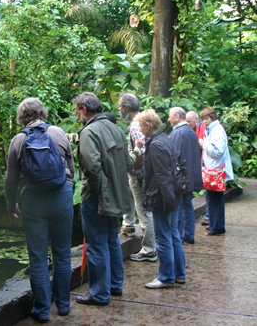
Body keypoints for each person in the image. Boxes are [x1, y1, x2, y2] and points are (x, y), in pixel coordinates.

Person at [4, 98, 75, 323]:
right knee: (63, 254)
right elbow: (71, 167)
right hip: (61, 197)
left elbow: (10, 180)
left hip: (32, 201)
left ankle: (42, 310)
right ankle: (63, 305)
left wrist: (10, 205)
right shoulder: (58, 132)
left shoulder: (18, 140)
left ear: (21, 117)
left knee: (38, 258)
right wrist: (68, 190)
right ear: (43, 113)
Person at [73, 92, 134, 306]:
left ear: (83, 109)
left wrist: (99, 190)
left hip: (96, 197)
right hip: (115, 195)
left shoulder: (89, 131)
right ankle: (115, 285)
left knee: (97, 244)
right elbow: (127, 161)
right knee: (111, 240)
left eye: (76, 111)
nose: (77, 115)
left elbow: (92, 166)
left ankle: (99, 294)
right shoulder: (116, 129)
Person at [137, 109, 186, 289]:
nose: (140, 129)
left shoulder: (156, 145)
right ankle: (179, 274)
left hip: (163, 198)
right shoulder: (165, 138)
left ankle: (166, 277)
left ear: (148, 125)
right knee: (174, 236)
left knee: (163, 238)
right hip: (173, 195)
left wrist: (168, 201)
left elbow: (163, 176)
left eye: (141, 126)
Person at [118, 93, 157, 262]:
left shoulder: (136, 125)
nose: (119, 109)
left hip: (139, 172)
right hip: (142, 171)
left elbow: (142, 151)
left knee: (143, 209)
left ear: (126, 108)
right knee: (131, 199)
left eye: (120, 107)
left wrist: (131, 167)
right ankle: (129, 226)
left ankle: (149, 249)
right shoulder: (140, 120)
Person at [167, 107, 202, 245]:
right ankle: (189, 234)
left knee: (179, 207)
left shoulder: (177, 133)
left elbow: (174, 156)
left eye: (170, 116)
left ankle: (179, 235)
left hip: (180, 178)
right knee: (188, 205)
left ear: (176, 116)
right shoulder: (190, 132)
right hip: (190, 176)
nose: (168, 119)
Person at [200, 107, 234, 236]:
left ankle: (217, 227)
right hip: (213, 170)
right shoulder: (213, 129)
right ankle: (215, 225)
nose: (204, 122)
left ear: (212, 118)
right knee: (212, 199)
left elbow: (217, 151)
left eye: (206, 119)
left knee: (215, 200)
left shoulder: (217, 130)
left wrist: (204, 145)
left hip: (216, 171)